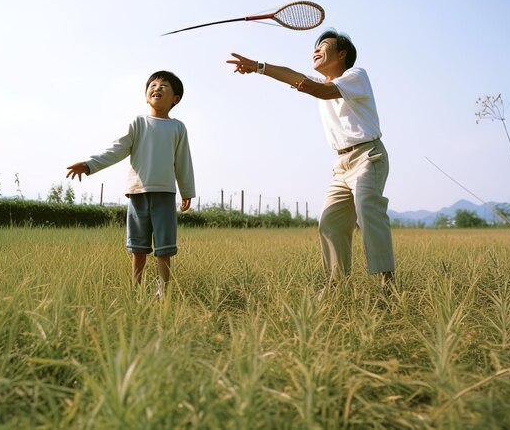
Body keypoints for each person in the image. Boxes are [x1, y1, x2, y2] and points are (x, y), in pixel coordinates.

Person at [227, 29, 395, 288]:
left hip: (367, 156)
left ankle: (389, 284)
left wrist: (303, 83)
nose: (315, 50)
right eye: (315, 47)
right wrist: (258, 67)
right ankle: (338, 286)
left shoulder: (356, 76)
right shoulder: (321, 82)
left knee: (367, 211)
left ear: (341, 54)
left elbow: (322, 91)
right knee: (329, 221)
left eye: (323, 45)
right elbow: (293, 76)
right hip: (341, 164)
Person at [66, 70, 195, 297]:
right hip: (137, 193)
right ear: (146, 95)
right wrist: (89, 165)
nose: (157, 88)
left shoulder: (178, 128)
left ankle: (163, 290)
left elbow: (183, 162)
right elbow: (117, 150)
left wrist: (187, 191)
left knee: (164, 248)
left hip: (165, 194)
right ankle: (135, 289)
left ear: (175, 99)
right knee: (138, 247)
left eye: (164, 86)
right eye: (153, 85)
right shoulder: (138, 123)